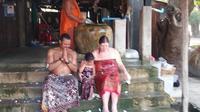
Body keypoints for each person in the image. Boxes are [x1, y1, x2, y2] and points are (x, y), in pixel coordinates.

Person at [92, 35, 131, 112]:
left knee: (116, 78)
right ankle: (105, 107)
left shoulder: (114, 52)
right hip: (101, 74)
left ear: (108, 45)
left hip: (113, 73)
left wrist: (125, 72)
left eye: (106, 45)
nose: (104, 48)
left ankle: (114, 107)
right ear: (99, 45)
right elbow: (89, 64)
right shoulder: (95, 53)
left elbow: (120, 64)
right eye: (102, 46)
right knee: (106, 78)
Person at [41, 33, 79, 112]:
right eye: (65, 44)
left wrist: (67, 62)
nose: (67, 46)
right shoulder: (52, 51)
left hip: (68, 76)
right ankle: (56, 108)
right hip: (54, 76)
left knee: (74, 81)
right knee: (48, 82)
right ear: (60, 42)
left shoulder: (73, 53)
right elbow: (50, 68)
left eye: (68, 44)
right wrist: (61, 60)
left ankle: (64, 108)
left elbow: (75, 69)